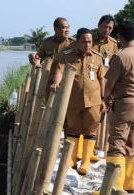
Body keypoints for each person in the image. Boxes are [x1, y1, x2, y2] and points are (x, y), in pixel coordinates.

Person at [92, 21, 134, 195]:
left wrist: (105, 98)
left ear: (119, 36)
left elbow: (109, 83)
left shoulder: (120, 56)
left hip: (126, 102)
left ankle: (113, 185)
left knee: (117, 142)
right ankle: (129, 182)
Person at [51, 28, 104, 176]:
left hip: (93, 100)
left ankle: (86, 162)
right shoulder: (67, 56)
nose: (87, 44)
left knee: (91, 129)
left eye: (89, 41)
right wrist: (56, 83)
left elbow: (101, 79)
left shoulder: (98, 57)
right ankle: (72, 159)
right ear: (77, 42)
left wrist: (105, 98)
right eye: (84, 41)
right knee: (73, 128)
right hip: (73, 99)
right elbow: (59, 71)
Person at [89, 14, 119, 163]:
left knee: (99, 116)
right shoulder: (87, 39)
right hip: (88, 83)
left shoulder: (113, 44)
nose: (107, 30)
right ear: (98, 25)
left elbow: (114, 65)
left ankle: (93, 147)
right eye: (105, 27)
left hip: (104, 85)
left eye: (110, 28)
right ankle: (81, 145)